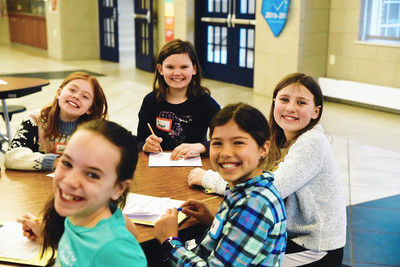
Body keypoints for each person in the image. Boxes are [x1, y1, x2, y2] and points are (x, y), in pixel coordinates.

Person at [187, 73, 347, 266]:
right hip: (295, 237)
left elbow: (267, 190)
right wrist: (214, 220)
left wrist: (207, 178)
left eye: (301, 103)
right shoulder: (283, 139)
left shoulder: (312, 141)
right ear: (274, 103)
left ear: (316, 111)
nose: (290, 108)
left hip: (314, 247)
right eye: (284, 99)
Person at [154, 103, 287, 266]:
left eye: (238, 143)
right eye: (217, 143)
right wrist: (213, 221)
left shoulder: (254, 204)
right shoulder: (247, 188)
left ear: (263, 149)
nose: (225, 153)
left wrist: (170, 241)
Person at [17, 120, 147, 266]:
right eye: (67, 163)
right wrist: (46, 234)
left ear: (119, 188)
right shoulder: (79, 215)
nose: (69, 181)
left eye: (92, 175)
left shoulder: (115, 251)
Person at [4, 71, 108, 171]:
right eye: (72, 90)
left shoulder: (93, 132)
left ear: (90, 109)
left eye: (85, 96)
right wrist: (55, 162)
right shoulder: (35, 119)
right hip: (36, 185)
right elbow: (11, 157)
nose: (76, 96)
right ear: (59, 93)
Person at [137, 39, 220, 160]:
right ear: (160, 69)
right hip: (159, 166)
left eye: (184, 67)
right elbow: (139, 140)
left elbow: (224, 141)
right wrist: (145, 145)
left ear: (194, 69)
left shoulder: (206, 103)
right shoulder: (150, 101)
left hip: (195, 165)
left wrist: (202, 146)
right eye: (170, 67)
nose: (177, 73)